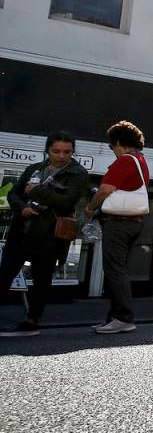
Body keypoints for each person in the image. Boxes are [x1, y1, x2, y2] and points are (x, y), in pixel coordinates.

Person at [0, 132, 89, 337]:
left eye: (67, 152)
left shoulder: (78, 173)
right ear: (47, 150)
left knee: (41, 280)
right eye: (56, 151)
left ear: (73, 152)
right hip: (22, 230)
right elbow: (13, 193)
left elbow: (67, 202)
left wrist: (37, 191)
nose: (61, 156)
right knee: (4, 275)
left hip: (49, 235)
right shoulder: (35, 168)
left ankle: (32, 321)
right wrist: (21, 208)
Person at [85, 120, 150, 334]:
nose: (112, 151)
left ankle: (123, 317)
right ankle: (114, 316)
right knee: (118, 268)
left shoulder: (125, 161)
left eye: (112, 146)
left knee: (114, 269)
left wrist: (90, 207)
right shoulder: (141, 160)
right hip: (134, 222)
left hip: (119, 223)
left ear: (119, 143)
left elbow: (105, 189)